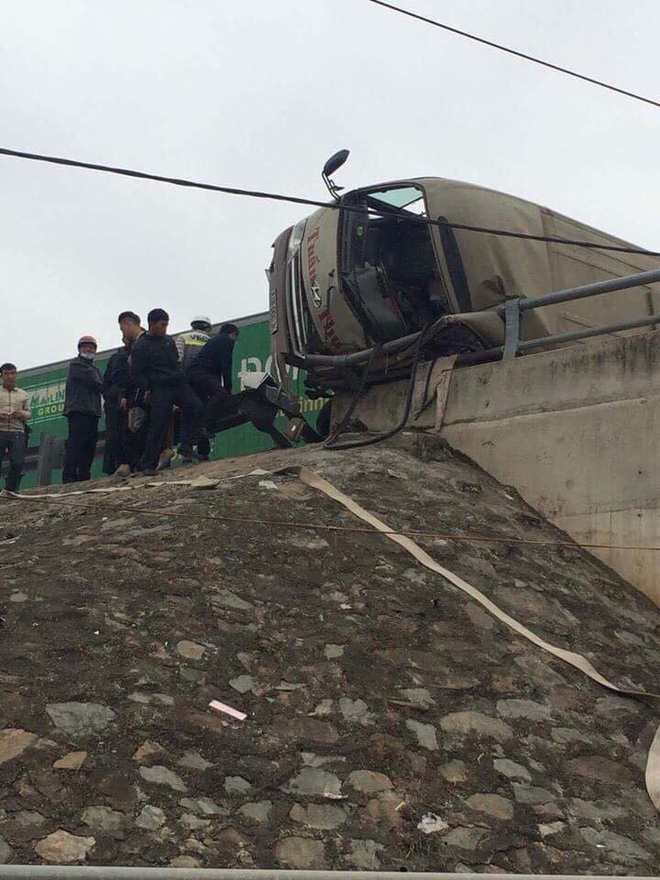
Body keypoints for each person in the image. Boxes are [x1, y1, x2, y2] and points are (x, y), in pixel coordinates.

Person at [130, 308, 202, 476]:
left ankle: (186, 445)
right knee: (158, 425)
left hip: (178, 383)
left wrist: (180, 374)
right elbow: (135, 374)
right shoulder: (141, 346)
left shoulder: (168, 341)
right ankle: (148, 465)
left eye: (166, 325)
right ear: (152, 324)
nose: (165, 328)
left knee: (196, 406)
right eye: (162, 325)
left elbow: (176, 362)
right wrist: (148, 387)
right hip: (160, 388)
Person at [109, 311, 146, 477]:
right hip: (131, 393)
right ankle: (130, 464)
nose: (122, 333)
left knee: (140, 428)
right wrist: (123, 394)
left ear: (128, 324)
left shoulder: (146, 342)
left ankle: (140, 464)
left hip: (145, 392)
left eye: (122, 328)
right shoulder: (126, 351)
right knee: (129, 428)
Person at [62, 336, 103, 483]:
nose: (89, 349)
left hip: (93, 412)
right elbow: (96, 382)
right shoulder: (76, 364)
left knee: (90, 445)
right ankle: (69, 477)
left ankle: (84, 476)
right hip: (78, 411)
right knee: (76, 444)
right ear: (79, 349)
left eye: (92, 347)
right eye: (85, 347)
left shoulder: (95, 369)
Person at [187, 323, 240, 435]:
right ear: (233, 334)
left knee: (202, 404)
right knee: (220, 394)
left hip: (195, 374)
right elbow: (226, 366)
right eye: (236, 338)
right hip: (202, 373)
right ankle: (205, 426)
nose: (236, 341)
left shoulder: (215, 341)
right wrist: (228, 390)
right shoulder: (227, 341)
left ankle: (196, 435)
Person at [175, 316, 213, 461]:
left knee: (187, 416)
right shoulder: (210, 341)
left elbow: (178, 360)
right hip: (205, 383)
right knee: (202, 416)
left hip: (186, 383)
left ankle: (186, 452)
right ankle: (204, 452)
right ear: (208, 327)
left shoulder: (183, 337)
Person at [0, 363, 31, 493]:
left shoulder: (23, 394)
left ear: (16, 375)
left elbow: (28, 413)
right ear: (1, 376)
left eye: (13, 373)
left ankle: (10, 490)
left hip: (17, 431)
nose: (10, 376)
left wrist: (21, 414)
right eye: (6, 374)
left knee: (18, 463)